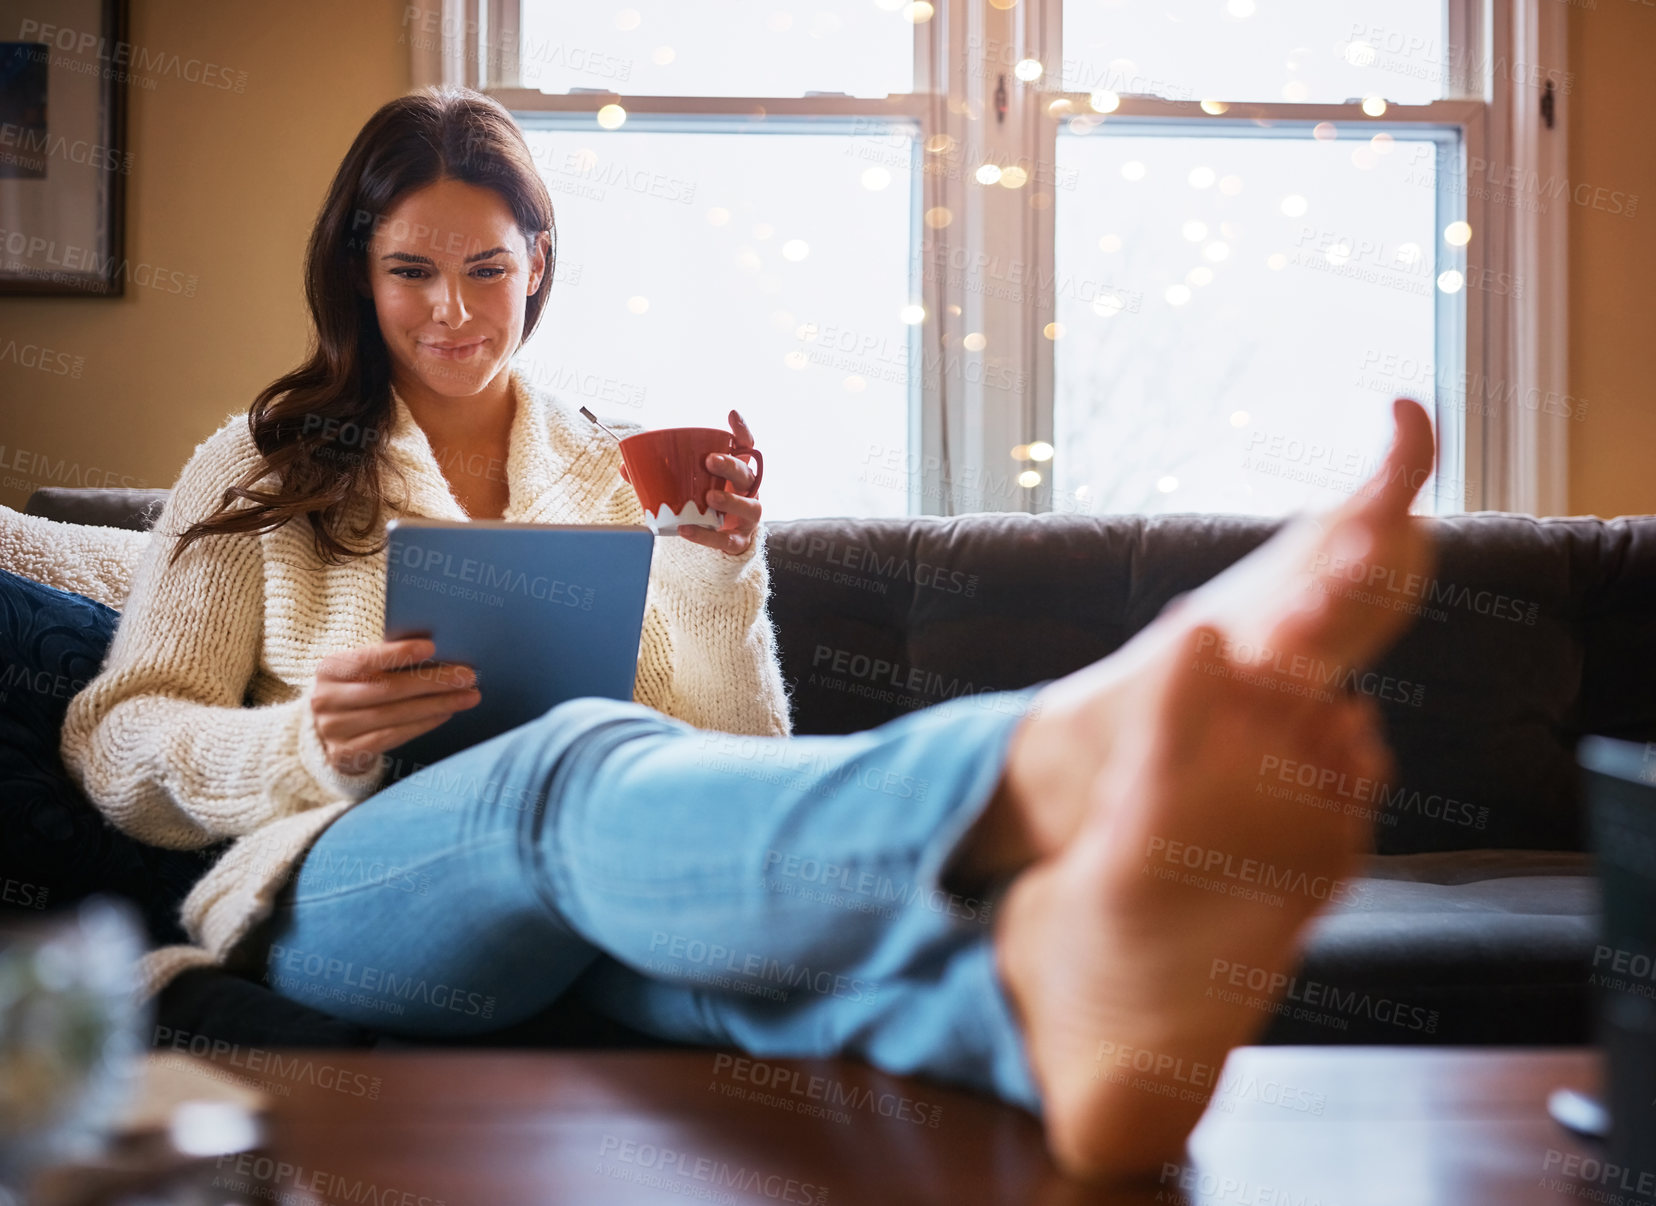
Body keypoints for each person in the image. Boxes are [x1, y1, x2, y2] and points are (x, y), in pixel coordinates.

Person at [6, 85, 1438, 1182]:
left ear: (540, 263)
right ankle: (1058, 751)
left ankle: (1049, 1012)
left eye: (488, 270)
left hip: (566, 881)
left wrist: (710, 570)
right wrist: (294, 738)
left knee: (729, 954)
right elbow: (116, 739)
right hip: (321, 893)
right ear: (357, 271)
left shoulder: (613, 464)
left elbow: (736, 763)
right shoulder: (260, 462)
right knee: (563, 762)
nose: (452, 312)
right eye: (411, 271)